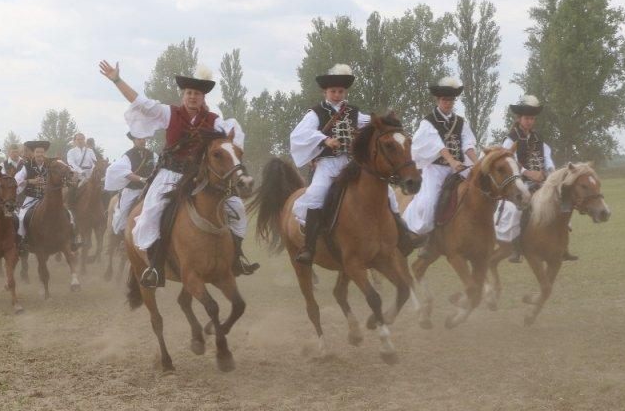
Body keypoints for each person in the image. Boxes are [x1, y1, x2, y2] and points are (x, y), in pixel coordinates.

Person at [98, 59, 259, 288]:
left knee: (238, 209)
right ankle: (154, 265)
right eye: (189, 93)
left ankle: (236, 258)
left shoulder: (214, 121)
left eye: (197, 94)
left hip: (201, 177)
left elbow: (229, 143)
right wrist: (116, 79)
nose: (193, 97)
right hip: (170, 175)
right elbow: (140, 101)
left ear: (204, 98)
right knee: (151, 215)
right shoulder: (168, 113)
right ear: (184, 95)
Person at [289, 63, 413, 265]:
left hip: (351, 163)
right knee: (316, 194)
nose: (337, 94)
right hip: (328, 164)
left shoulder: (354, 112)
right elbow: (299, 134)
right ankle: (309, 247)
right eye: (333, 91)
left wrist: (388, 120)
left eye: (340, 91)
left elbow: (373, 124)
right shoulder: (315, 113)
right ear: (325, 92)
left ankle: (403, 236)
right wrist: (324, 139)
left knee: (388, 192)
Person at [402, 77, 478, 257]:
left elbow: (468, 145)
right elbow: (437, 146)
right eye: (445, 100)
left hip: (460, 167)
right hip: (436, 169)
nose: (448, 103)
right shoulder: (428, 122)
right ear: (438, 100)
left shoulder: (461, 122)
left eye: (451, 100)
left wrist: (479, 163)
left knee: (480, 190)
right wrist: (452, 161)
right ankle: (428, 239)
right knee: (429, 204)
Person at [495, 95, 576, 262]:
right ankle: (516, 249)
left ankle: (563, 246)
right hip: (519, 182)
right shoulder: (510, 138)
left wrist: (551, 174)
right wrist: (528, 173)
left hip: (542, 181)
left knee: (563, 202)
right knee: (520, 209)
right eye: (527, 118)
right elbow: (508, 162)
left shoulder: (539, 137)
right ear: (519, 118)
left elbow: (547, 158)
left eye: (532, 118)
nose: (530, 122)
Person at [15, 140, 80, 253]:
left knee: (68, 213)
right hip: (32, 198)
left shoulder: (53, 163)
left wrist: (73, 175)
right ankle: (22, 242)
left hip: (51, 199)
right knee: (21, 217)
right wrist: (30, 181)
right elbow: (17, 181)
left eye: (42, 152)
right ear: (33, 153)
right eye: (37, 152)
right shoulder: (27, 166)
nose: (40, 154)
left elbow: (68, 170)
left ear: (45, 153)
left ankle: (72, 239)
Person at [105, 132, 155, 236]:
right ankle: (122, 237)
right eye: (139, 139)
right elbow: (124, 173)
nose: (142, 141)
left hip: (150, 189)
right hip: (133, 190)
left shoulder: (152, 154)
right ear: (134, 140)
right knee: (122, 216)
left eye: (144, 138)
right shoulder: (127, 156)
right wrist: (141, 179)